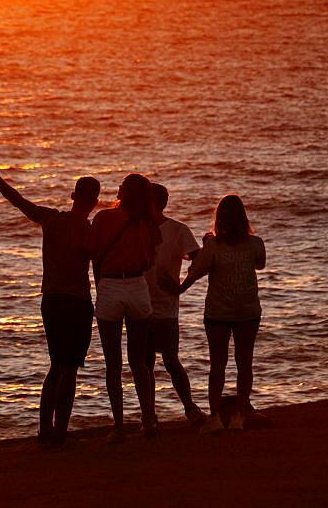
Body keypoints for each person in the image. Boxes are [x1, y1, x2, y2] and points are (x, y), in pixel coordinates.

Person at [0, 161, 100, 448]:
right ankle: (60, 433)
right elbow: (102, 262)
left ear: (72, 196)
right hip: (78, 303)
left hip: (52, 301)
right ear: (94, 201)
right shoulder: (91, 230)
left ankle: (45, 432)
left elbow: (20, 202)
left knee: (56, 366)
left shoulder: (52, 219)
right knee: (70, 370)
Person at [162, 193, 265, 434]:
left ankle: (216, 417)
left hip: (218, 312)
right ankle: (240, 415)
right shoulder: (255, 243)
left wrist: (178, 290)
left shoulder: (213, 246)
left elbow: (195, 272)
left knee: (218, 364)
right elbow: (260, 264)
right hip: (248, 310)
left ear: (219, 219)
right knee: (244, 363)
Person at [86, 173, 161, 442]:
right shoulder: (150, 223)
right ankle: (148, 419)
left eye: (121, 185)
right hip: (137, 286)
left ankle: (118, 425)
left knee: (113, 363)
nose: (116, 187)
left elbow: (92, 252)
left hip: (111, 287)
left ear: (125, 192)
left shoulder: (104, 218)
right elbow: (151, 261)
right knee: (139, 360)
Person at [144, 183, 205, 426]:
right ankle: (150, 415)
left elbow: (199, 260)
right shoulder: (139, 228)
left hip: (165, 306)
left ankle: (189, 407)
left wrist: (182, 287)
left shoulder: (178, 230)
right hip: (140, 304)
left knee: (170, 360)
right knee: (146, 363)